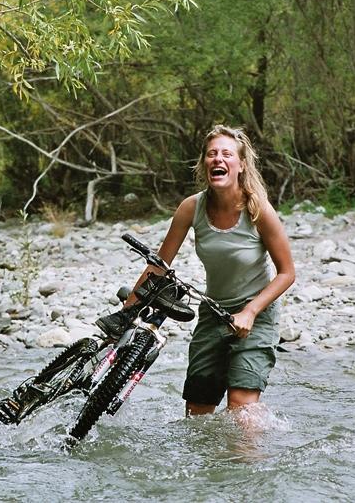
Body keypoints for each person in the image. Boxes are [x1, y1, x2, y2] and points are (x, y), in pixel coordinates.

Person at [96, 125, 295, 415]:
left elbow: (287, 272)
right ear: (204, 163)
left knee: (242, 409)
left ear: (240, 165)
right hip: (213, 313)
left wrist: (250, 312)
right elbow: (159, 267)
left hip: (256, 316)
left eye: (227, 154)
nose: (218, 159)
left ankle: (250, 460)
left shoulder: (258, 210)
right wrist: (126, 314)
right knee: (197, 413)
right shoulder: (191, 208)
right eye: (212, 154)